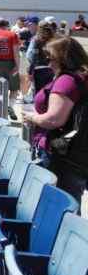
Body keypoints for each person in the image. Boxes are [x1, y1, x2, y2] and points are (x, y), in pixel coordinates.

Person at [22, 36, 88, 210]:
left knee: (59, 208)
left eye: (51, 58)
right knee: (66, 205)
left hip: (61, 154)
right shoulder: (78, 77)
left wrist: (31, 117)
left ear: (63, 59)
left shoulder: (67, 81)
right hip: (71, 153)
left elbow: (54, 119)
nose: (48, 62)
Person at [0, 18, 21, 120]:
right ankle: (10, 105)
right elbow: (16, 52)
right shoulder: (12, 35)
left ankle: (2, 113)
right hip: (10, 63)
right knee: (14, 89)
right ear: (7, 25)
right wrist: (17, 66)